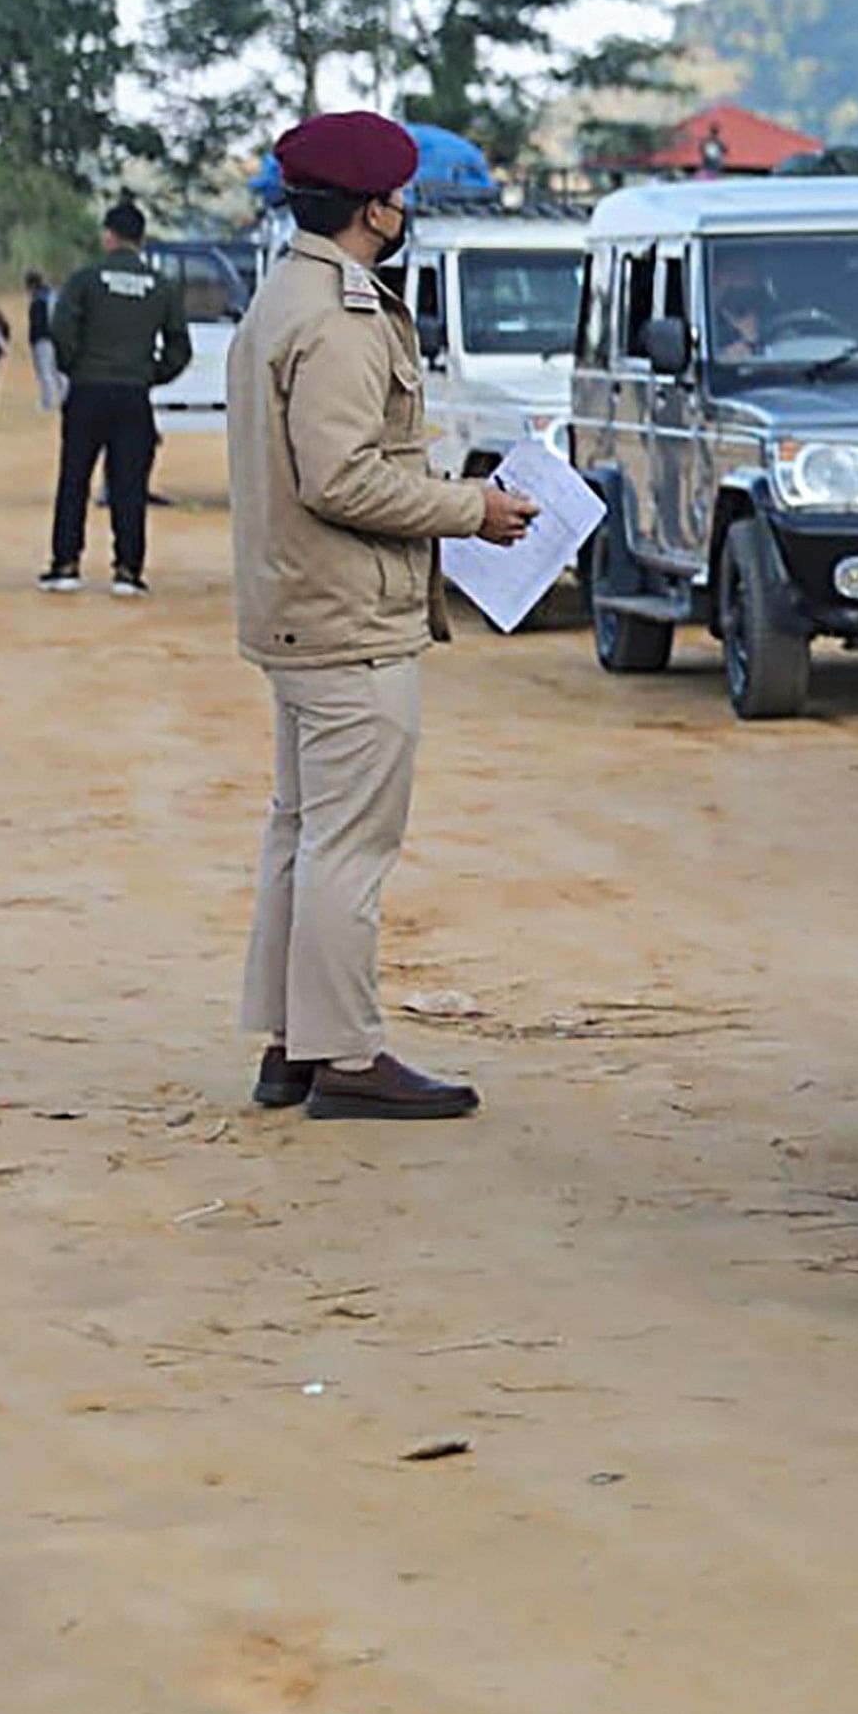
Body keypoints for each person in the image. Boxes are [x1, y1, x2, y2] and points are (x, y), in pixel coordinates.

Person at [227, 112, 540, 1122]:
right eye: (398, 198)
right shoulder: (341, 315)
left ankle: (293, 1043)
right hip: (347, 614)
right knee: (347, 843)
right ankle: (347, 1055)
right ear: (374, 208)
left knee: (303, 829)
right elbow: (343, 476)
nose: (403, 213)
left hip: (300, 606)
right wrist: (472, 510)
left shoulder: (286, 294)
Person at [43, 199, 194, 596]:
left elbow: (60, 330)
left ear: (108, 235)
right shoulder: (160, 285)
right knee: (129, 484)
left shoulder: (86, 279)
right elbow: (180, 345)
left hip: (88, 392)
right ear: (142, 239)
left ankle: (65, 565)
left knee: (74, 479)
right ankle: (128, 569)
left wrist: (75, 367)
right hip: (133, 395)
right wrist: (150, 373)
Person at [23, 267, 64, 409]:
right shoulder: (52, 295)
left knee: (45, 370)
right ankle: (63, 395)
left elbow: (39, 322)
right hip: (54, 337)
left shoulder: (39, 299)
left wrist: (34, 337)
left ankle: (48, 401)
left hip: (43, 338)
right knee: (55, 369)